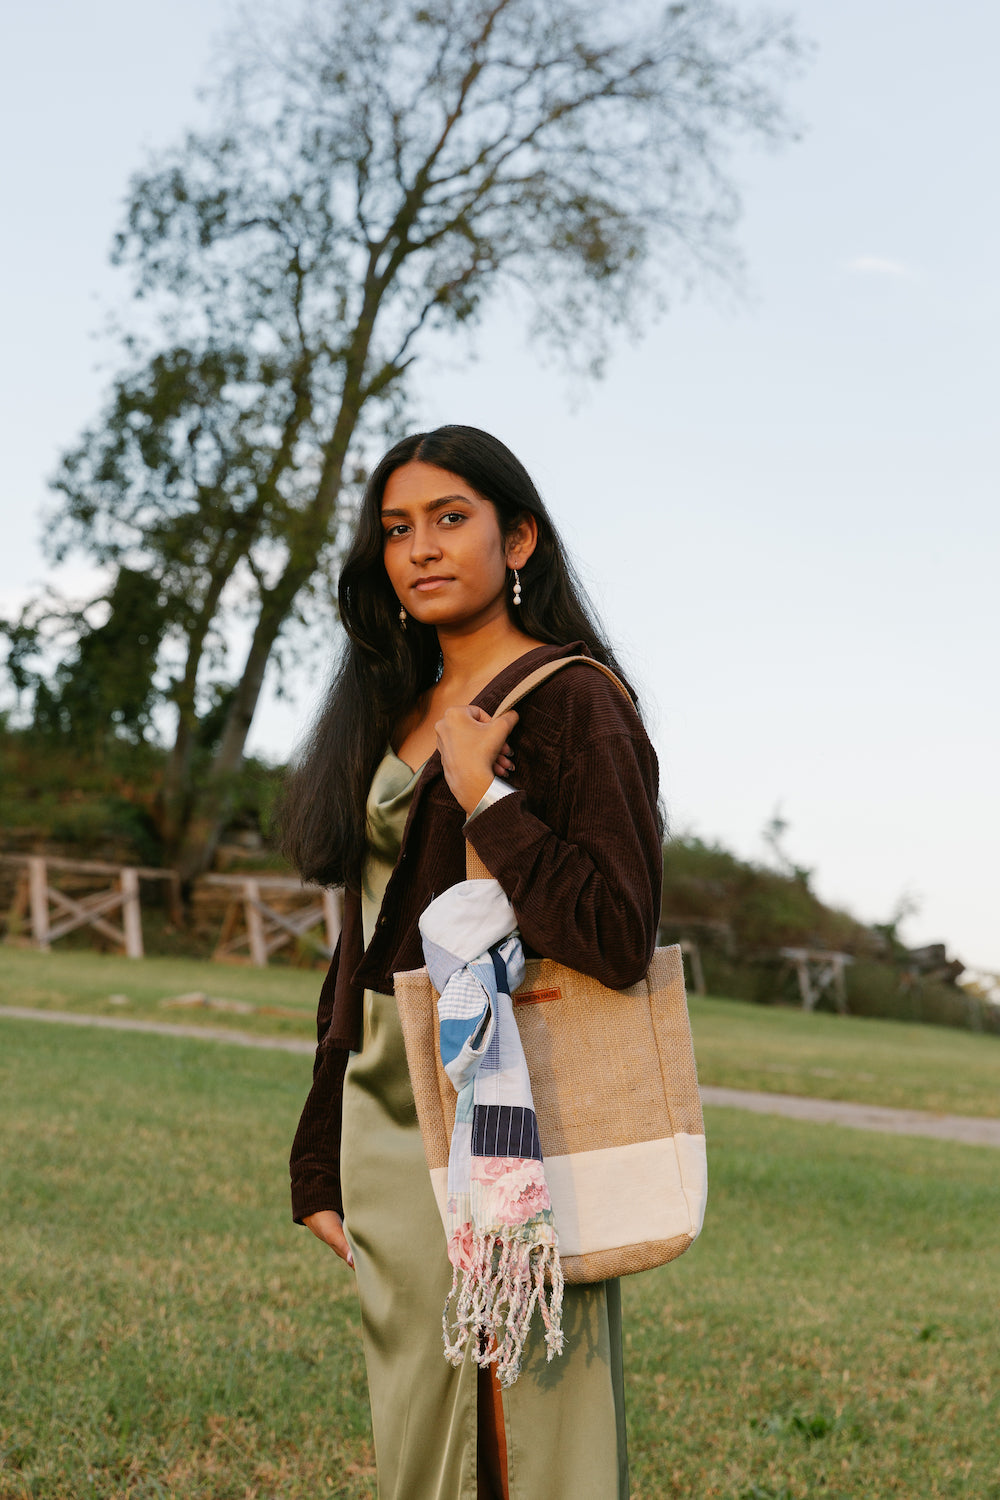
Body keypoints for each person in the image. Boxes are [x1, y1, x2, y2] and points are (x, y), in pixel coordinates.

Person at [282, 425, 663, 1500]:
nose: (421, 548)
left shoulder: (574, 701)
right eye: (396, 529)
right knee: (420, 1429)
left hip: (506, 1118)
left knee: (524, 1426)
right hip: (382, 1118)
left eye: (451, 519)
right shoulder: (382, 713)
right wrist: (320, 1150)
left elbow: (614, 933)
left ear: (520, 541)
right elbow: (358, 947)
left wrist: (486, 799)